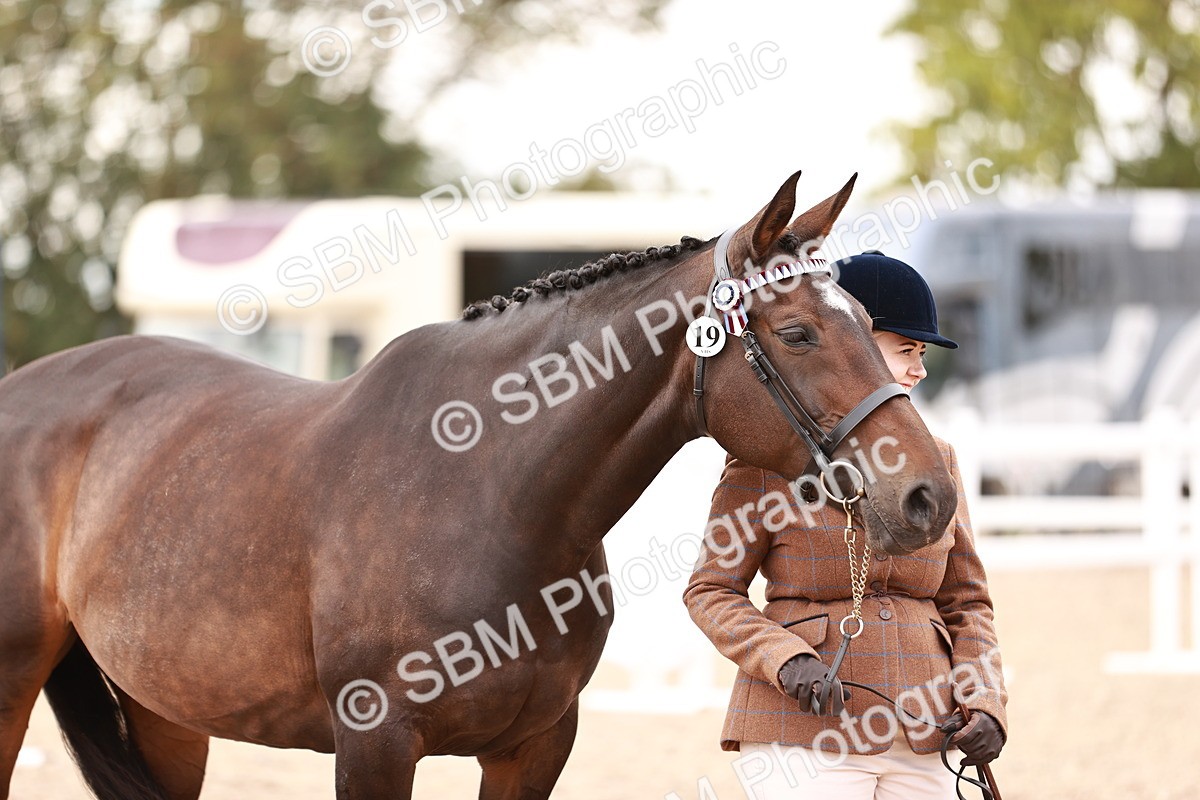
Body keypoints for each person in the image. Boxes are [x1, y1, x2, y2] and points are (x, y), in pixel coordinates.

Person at [684, 252, 1007, 799]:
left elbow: (967, 603)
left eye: (922, 353)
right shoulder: (764, 462)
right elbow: (711, 589)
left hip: (926, 732)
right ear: (855, 344)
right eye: (907, 351)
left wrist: (984, 701)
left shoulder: (939, 461)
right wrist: (784, 659)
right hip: (803, 734)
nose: (919, 369)